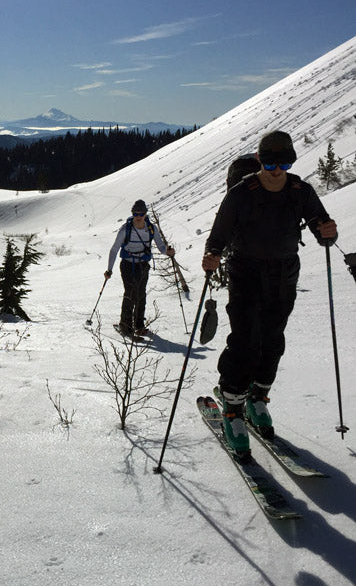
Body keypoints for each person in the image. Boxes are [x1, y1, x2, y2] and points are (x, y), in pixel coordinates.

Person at [201, 130, 337, 457]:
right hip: (246, 271)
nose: (278, 169)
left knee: (273, 337)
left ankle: (258, 397)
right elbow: (220, 231)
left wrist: (329, 232)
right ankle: (233, 405)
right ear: (260, 160)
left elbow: (322, 227)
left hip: (284, 272)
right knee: (246, 338)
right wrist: (213, 252)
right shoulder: (241, 192)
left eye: (285, 162)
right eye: (272, 161)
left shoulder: (299, 191)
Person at [105, 200, 174, 339]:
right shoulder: (126, 229)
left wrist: (167, 252)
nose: (138, 216)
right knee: (131, 293)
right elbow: (114, 249)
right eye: (135, 213)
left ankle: (138, 325)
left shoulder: (151, 229)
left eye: (141, 213)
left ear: (145, 214)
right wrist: (109, 270)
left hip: (142, 265)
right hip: (127, 265)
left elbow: (160, 246)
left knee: (141, 294)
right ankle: (126, 326)